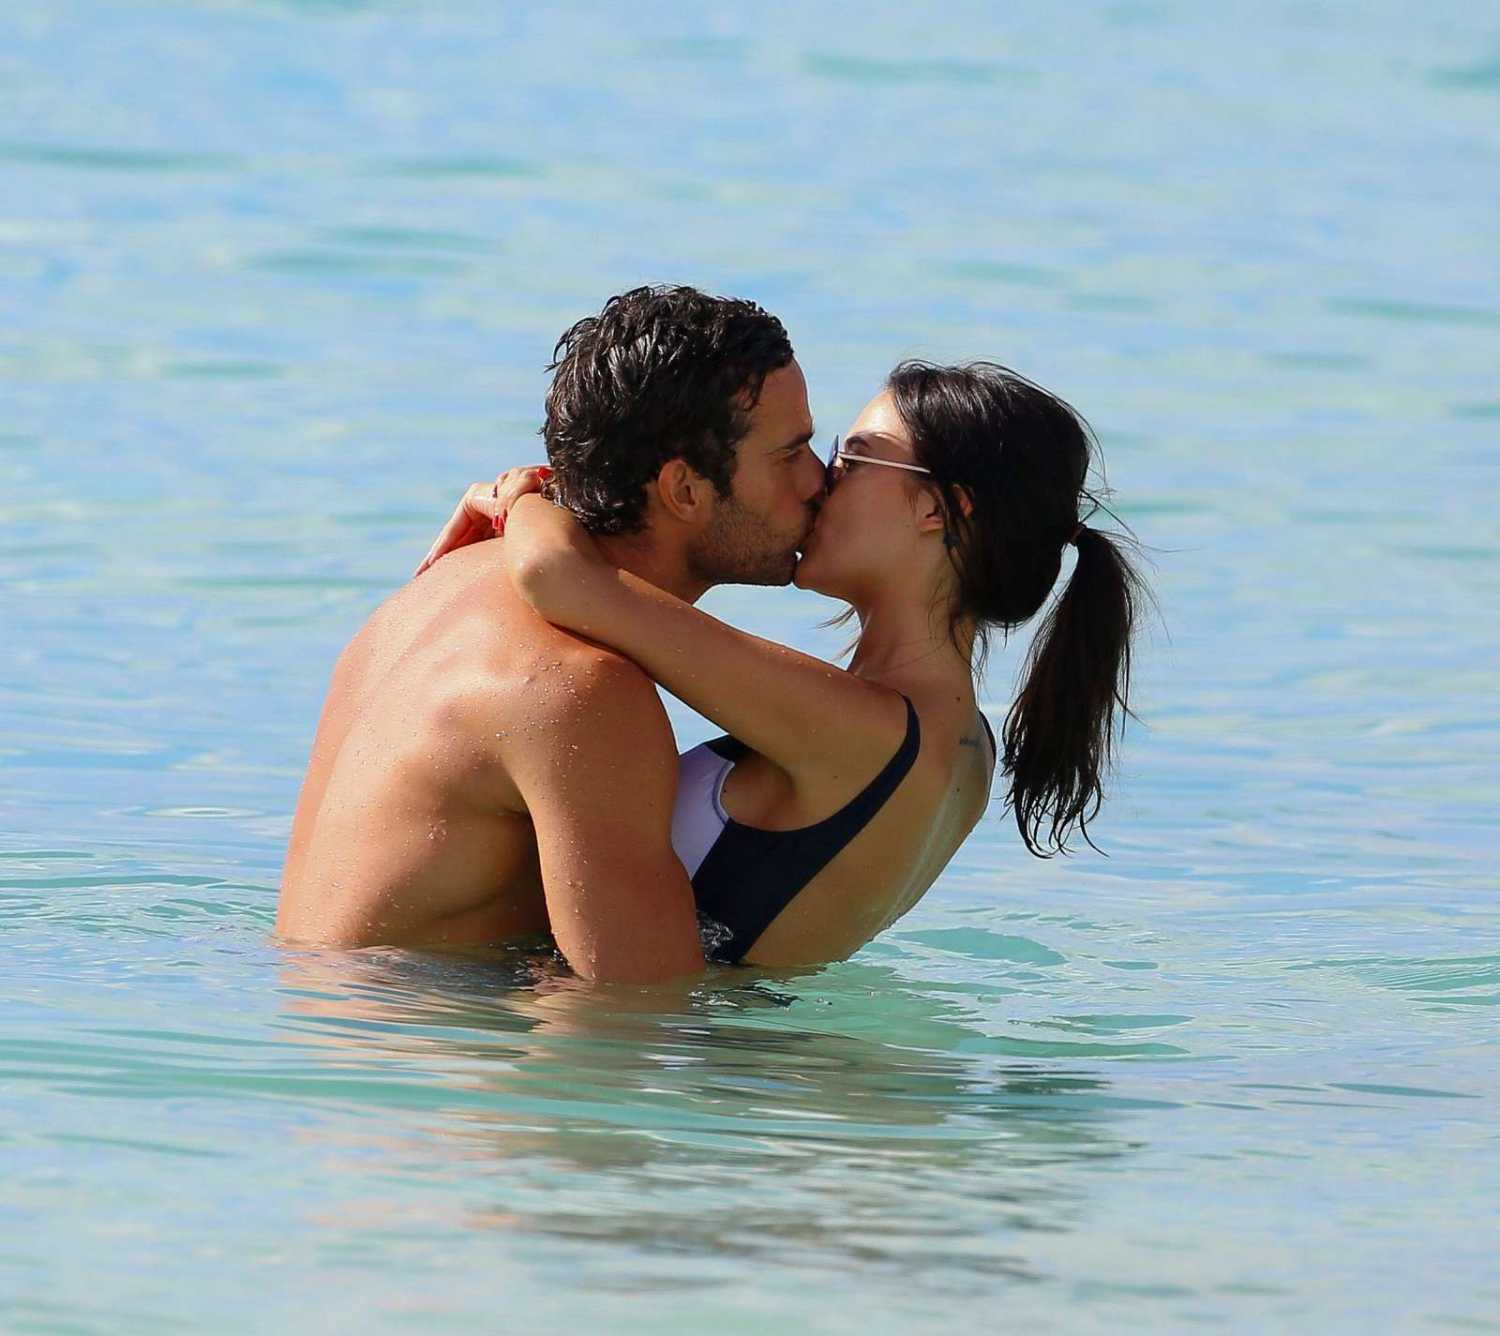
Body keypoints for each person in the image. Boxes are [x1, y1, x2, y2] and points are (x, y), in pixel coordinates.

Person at [428, 360, 1149, 968]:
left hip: (652, 1065)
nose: (823, 480)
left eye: (855, 459)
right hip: (724, 1073)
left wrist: (522, 497)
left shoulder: (865, 730)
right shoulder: (961, 748)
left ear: (938, 510)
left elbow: (560, 578)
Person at [275, 286, 824, 982]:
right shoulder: (582, 690)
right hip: (422, 1040)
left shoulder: (436, 591)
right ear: (684, 490)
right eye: (792, 453)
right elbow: (636, 1011)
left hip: (320, 1026)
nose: (819, 480)